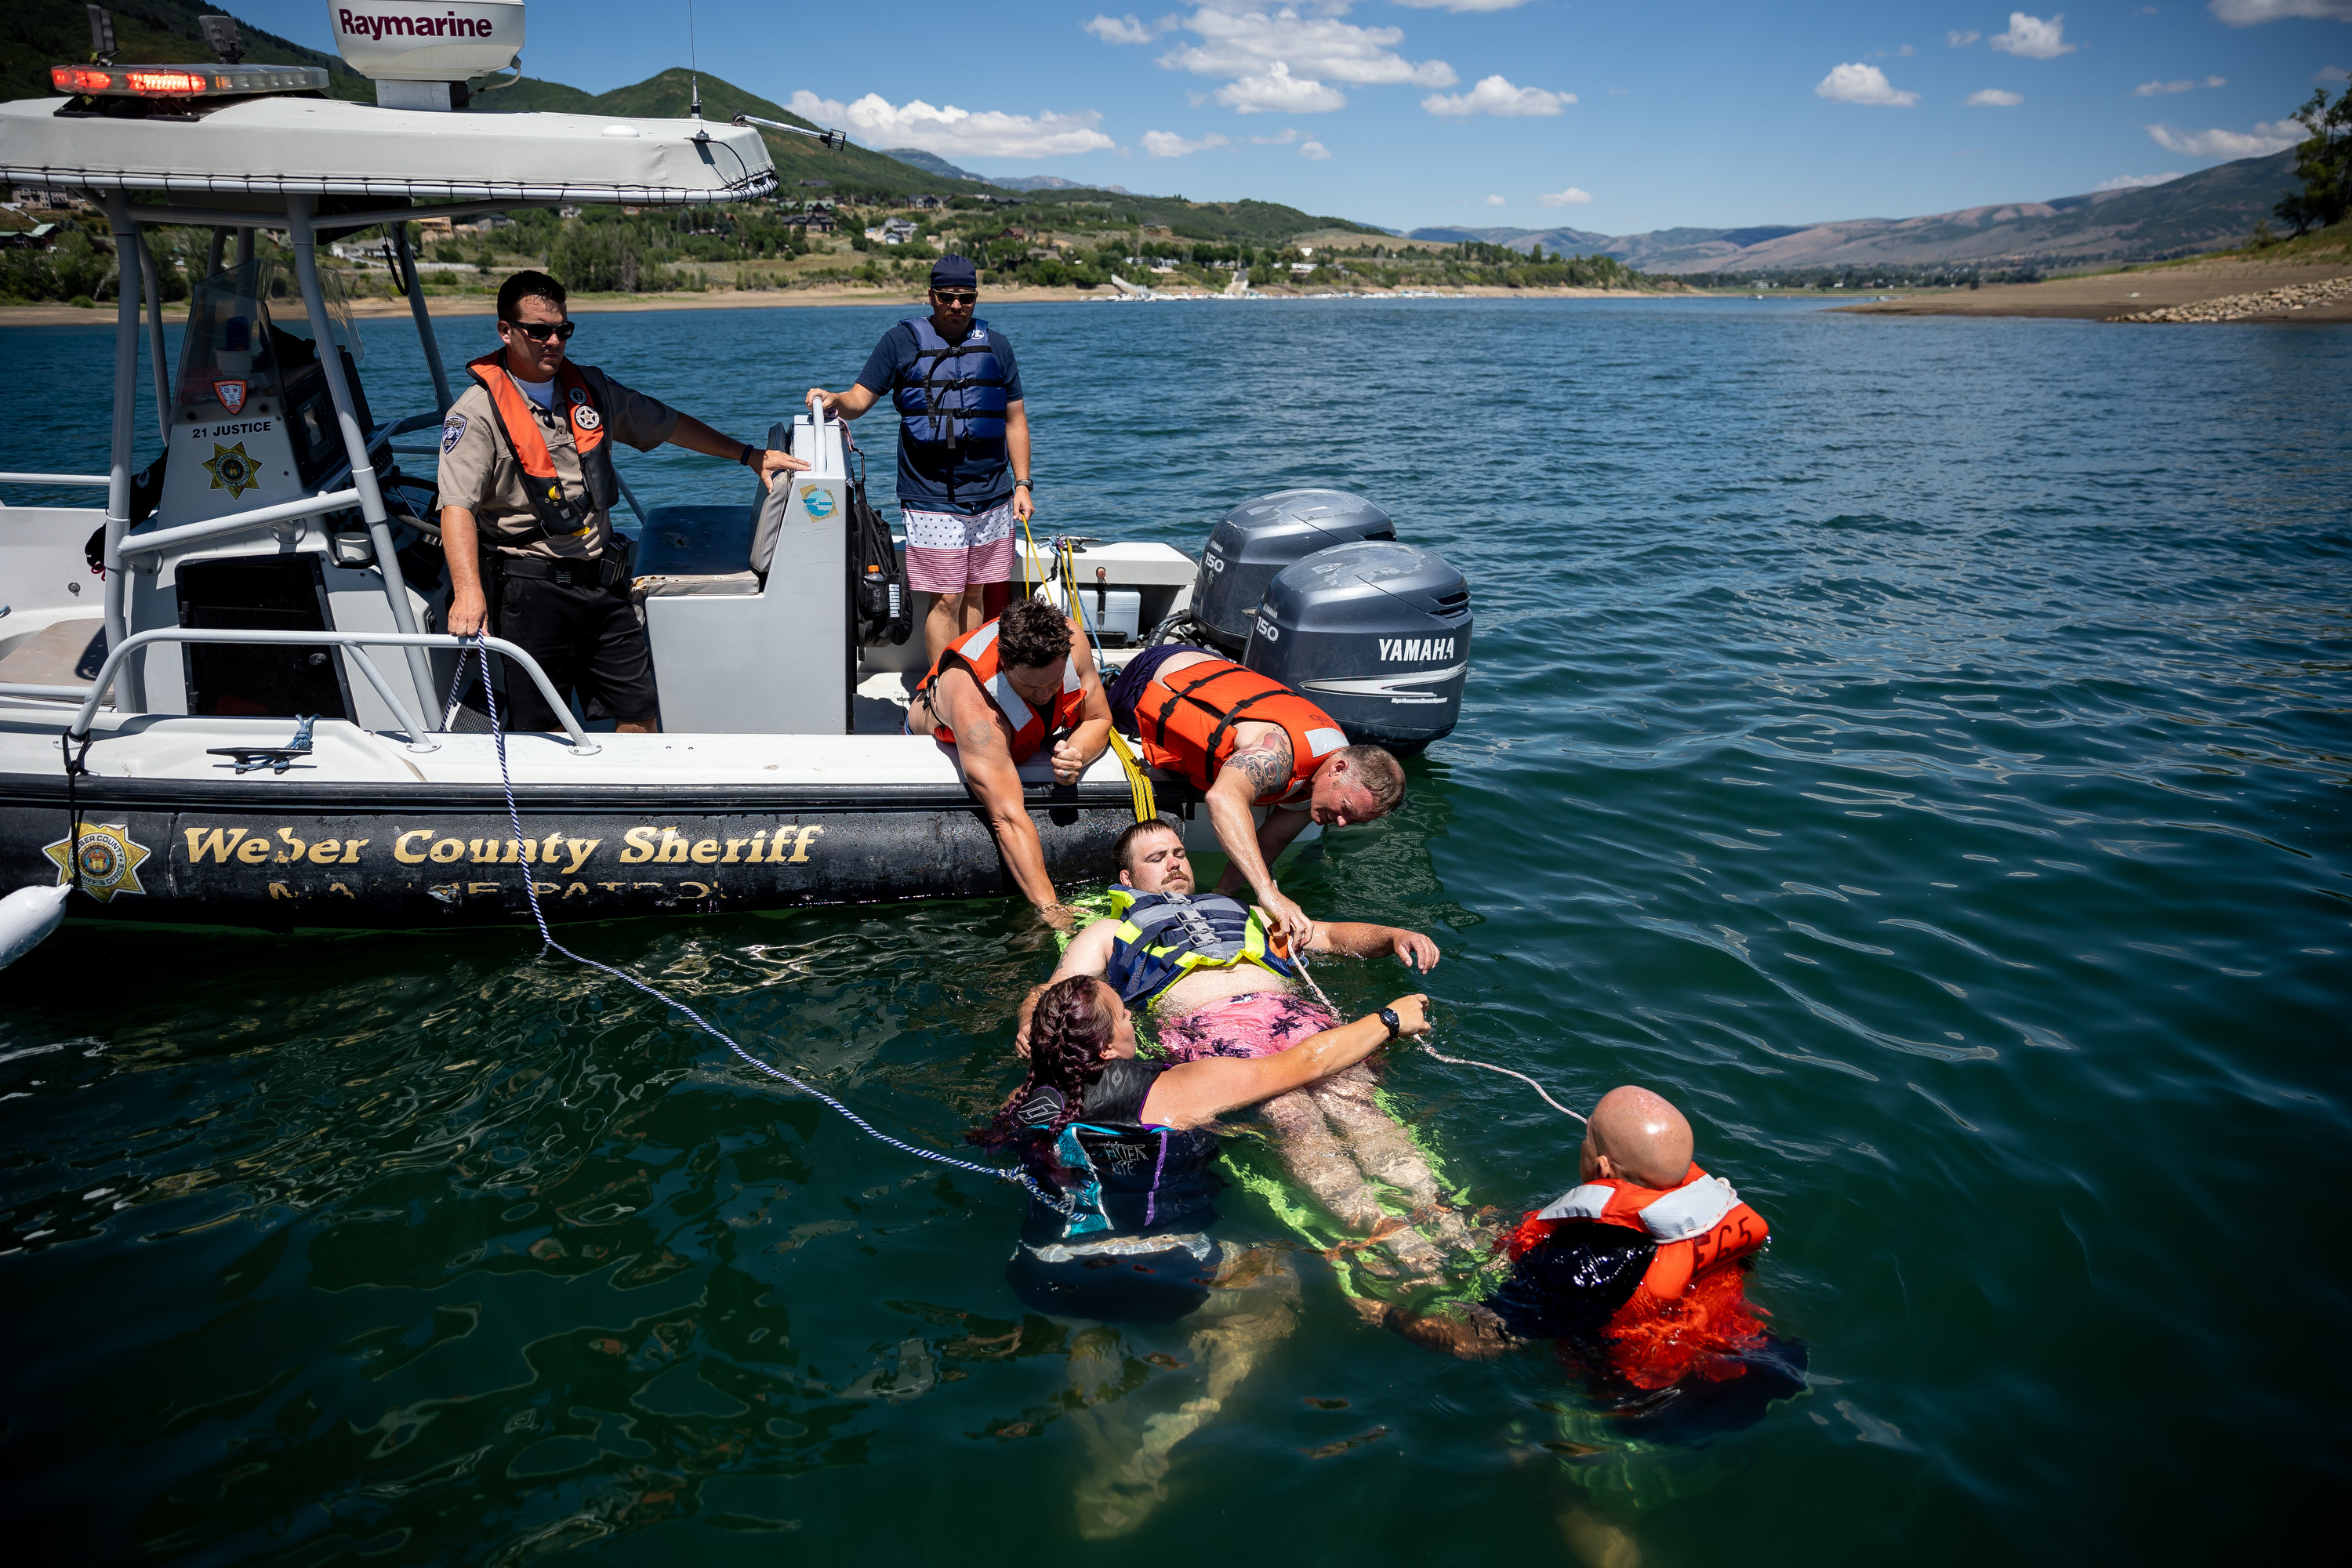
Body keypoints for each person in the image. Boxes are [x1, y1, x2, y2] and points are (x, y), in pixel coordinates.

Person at [975, 971, 1430, 1535]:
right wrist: (1389, 1020)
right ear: (1107, 1043)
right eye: (1123, 1014)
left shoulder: (1022, 1100)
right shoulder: (1174, 1088)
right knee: (1274, 1284)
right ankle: (1166, 1441)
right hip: (1154, 1264)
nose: (1132, 1019)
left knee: (1091, 1327)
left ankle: (1099, 1444)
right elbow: (1307, 1063)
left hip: (1040, 1272)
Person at [1018, 818, 1479, 1284]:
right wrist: (1027, 1022)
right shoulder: (1107, 931)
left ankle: (1443, 1215)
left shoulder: (1245, 910)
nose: (1173, 863)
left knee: (1359, 1107)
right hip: (1213, 1028)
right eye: (1155, 859)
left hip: (1294, 1018)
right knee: (1293, 1114)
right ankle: (1386, 1232)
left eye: (1178, 853)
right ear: (1127, 880)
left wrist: (1392, 936)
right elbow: (1056, 991)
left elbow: (1329, 935)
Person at [438, 270, 804, 732]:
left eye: (562, 330)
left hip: (603, 584)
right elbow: (457, 508)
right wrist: (469, 594)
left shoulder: (590, 390)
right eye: (538, 331)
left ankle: (633, 806)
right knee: (541, 733)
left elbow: (667, 423)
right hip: (532, 593)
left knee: (640, 715)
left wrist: (747, 455)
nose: (552, 341)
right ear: (506, 332)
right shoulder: (475, 414)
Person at [1363, 1084, 1804, 1432]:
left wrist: (1382, 1313)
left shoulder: (1578, 1264)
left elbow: (1479, 1343)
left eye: (1587, 1136)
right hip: (1770, 1363)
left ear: (1604, 1168)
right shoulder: (1709, 1213)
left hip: (1657, 1408)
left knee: (1518, 1453)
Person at [805, 256, 1033, 664]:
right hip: (929, 494)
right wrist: (836, 399)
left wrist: (1022, 484)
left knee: (976, 590)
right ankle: (944, 685)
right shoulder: (900, 341)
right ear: (931, 296)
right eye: (947, 297)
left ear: (976, 298)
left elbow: (1015, 420)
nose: (957, 306)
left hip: (993, 492)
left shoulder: (998, 346)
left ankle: (974, 679)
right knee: (948, 595)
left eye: (965, 298)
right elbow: (859, 399)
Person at [1105, 644, 1406, 949]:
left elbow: (1267, 843)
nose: (1341, 822)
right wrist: (1267, 892)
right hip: (1158, 674)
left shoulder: (1321, 785)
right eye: (1346, 809)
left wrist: (1222, 898)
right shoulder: (1278, 755)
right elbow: (1222, 797)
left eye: (1354, 820)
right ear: (1338, 768)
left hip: (1220, 676)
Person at [906, 595, 1112, 926]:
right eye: (1033, 686)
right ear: (1004, 661)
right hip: (943, 736)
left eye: (1054, 683)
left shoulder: (1071, 642)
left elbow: (1098, 719)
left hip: (1025, 736)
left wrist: (1077, 752)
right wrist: (1051, 909)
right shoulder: (975, 708)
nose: (1046, 696)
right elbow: (1008, 819)